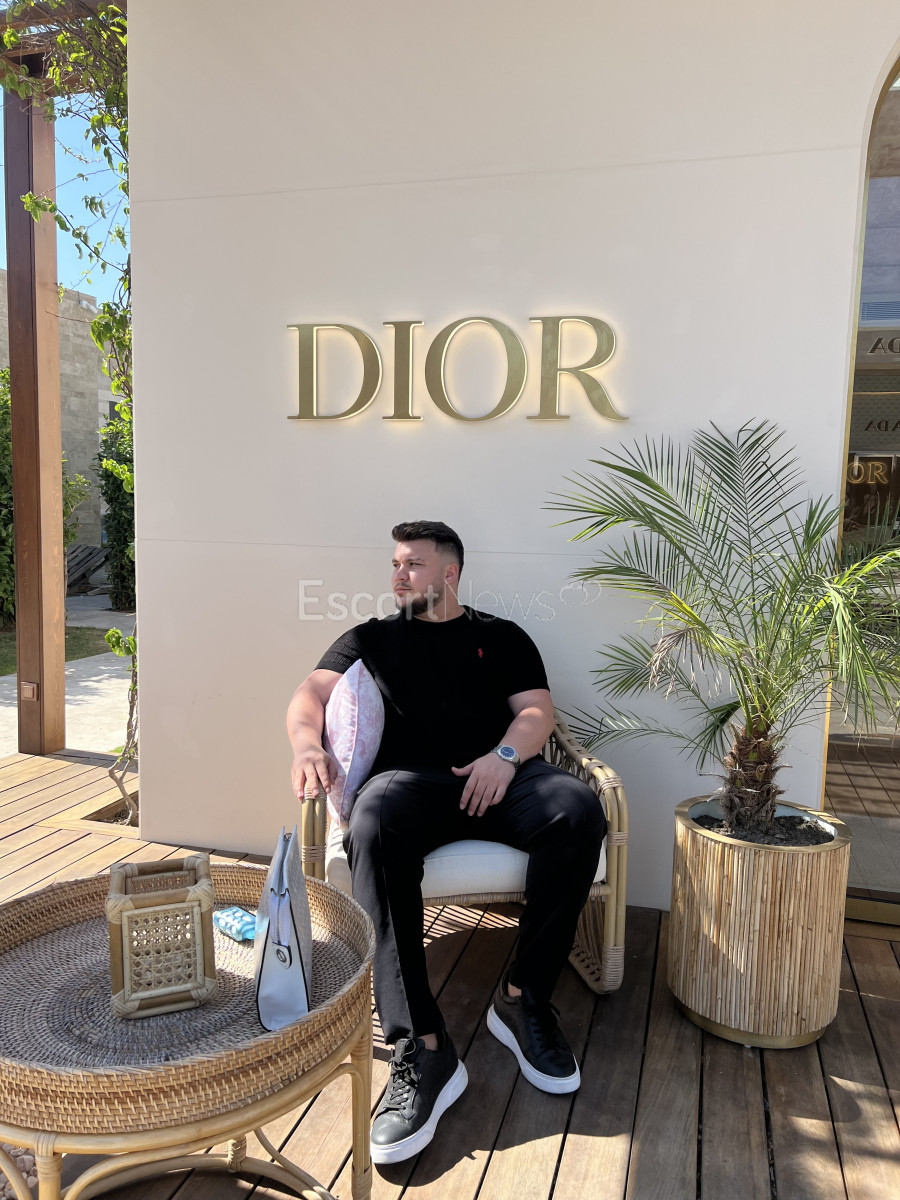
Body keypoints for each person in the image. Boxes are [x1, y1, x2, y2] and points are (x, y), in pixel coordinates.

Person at [286, 520, 606, 1165]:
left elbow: (536, 711)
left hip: (500, 776)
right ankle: (423, 1045)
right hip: (412, 785)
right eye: (395, 564)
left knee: (576, 809)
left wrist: (505, 757)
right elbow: (310, 693)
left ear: (450, 573)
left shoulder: (502, 636)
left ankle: (523, 999)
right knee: (372, 824)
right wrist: (306, 745)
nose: (398, 575)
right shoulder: (371, 638)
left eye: (412, 564)